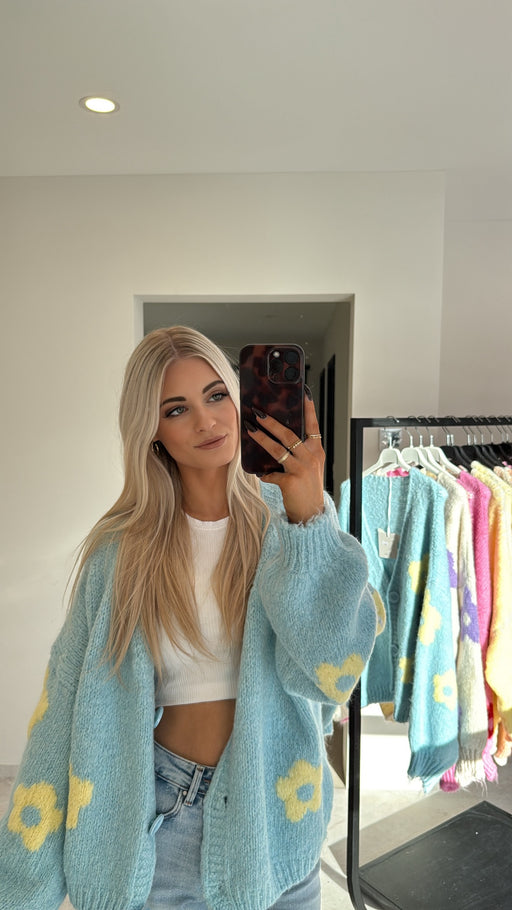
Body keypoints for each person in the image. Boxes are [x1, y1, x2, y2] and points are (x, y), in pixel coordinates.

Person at [0, 326, 383, 910]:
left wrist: (308, 518)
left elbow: (334, 669)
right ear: (151, 431)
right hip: (161, 819)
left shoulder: (292, 524)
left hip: (275, 814)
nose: (206, 421)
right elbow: (64, 709)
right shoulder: (120, 552)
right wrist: (23, 886)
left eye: (216, 395)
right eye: (176, 409)